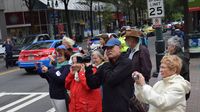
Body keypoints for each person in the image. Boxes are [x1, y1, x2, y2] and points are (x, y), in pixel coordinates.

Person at [85, 38, 136, 112]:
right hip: (108, 107)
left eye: (111, 47)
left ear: (120, 48)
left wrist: (106, 63)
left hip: (123, 107)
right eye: (107, 48)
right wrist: (88, 70)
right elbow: (93, 84)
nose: (108, 50)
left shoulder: (126, 63)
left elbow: (111, 79)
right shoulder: (106, 65)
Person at [37, 45, 71, 112]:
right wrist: (40, 71)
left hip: (61, 95)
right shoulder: (56, 66)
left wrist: (48, 72)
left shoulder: (67, 67)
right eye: (57, 56)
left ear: (66, 57)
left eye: (60, 56)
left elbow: (61, 80)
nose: (58, 57)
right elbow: (48, 77)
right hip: (53, 94)